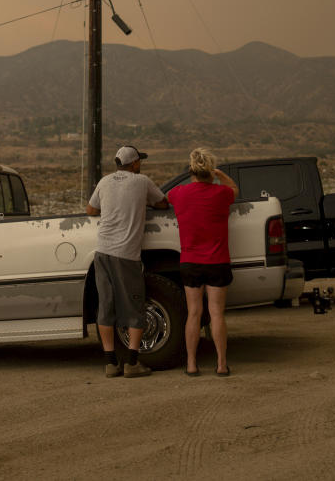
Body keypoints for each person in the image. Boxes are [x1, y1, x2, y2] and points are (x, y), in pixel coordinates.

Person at [86, 144, 169, 378]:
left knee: (106, 307)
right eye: (139, 161)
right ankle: (132, 363)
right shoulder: (142, 182)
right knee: (134, 307)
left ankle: (110, 363)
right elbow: (163, 203)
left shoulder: (104, 182)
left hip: (102, 253)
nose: (140, 164)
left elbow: (91, 209)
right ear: (134, 164)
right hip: (126, 255)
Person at [167, 147, 238, 377]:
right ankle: (221, 364)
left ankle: (191, 364)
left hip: (191, 262)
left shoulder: (179, 194)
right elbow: (234, 189)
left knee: (194, 313)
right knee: (216, 313)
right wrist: (220, 174)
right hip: (217, 262)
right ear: (210, 171)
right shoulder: (221, 194)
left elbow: (165, 197)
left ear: (191, 171)